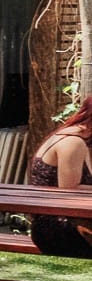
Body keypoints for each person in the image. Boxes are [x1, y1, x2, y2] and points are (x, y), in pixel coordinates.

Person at [28, 94, 92, 257]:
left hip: (59, 222)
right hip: (57, 228)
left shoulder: (77, 138)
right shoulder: (73, 142)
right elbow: (70, 189)